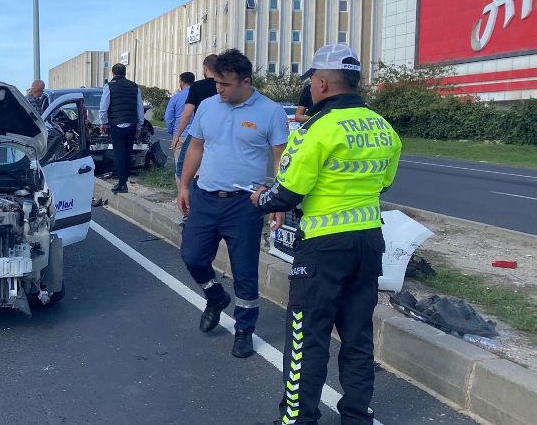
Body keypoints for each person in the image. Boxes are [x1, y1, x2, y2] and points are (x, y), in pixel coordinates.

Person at [250, 43, 402, 425]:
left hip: (323, 246)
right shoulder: (383, 127)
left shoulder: (315, 130)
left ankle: (298, 419)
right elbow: (384, 184)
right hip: (368, 241)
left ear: (321, 83)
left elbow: (287, 193)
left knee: (307, 337)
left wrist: (259, 199)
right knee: (357, 335)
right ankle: (357, 416)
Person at [177, 49, 288, 359]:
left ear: (245, 81)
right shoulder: (208, 107)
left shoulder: (271, 112)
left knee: (245, 272)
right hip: (205, 197)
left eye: (224, 84)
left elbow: (280, 157)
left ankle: (244, 330)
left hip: (245, 204)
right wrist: (184, 185)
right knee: (192, 256)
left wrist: (279, 199)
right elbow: (196, 147)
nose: (219, 90)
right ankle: (215, 295)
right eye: (216, 83)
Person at [98, 63, 144, 194]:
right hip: (131, 124)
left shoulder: (109, 86)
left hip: (116, 125)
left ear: (113, 74)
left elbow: (103, 107)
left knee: (119, 154)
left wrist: (103, 122)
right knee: (128, 154)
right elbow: (139, 107)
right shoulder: (135, 87)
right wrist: (139, 126)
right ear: (125, 73)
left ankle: (122, 184)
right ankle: (124, 182)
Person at [170, 54, 219, 158]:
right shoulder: (225, 86)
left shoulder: (197, 86)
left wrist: (177, 135)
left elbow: (187, 113)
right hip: (221, 132)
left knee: (182, 165)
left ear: (205, 69)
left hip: (201, 131)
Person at [165, 72, 195, 183]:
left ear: (181, 82)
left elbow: (168, 117)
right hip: (196, 136)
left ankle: (181, 196)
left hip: (180, 136)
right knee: (195, 167)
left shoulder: (176, 97)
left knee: (180, 168)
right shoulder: (198, 96)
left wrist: (172, 131)